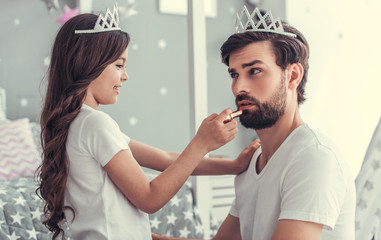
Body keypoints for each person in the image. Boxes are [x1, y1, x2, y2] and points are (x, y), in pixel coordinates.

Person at [36, 4, 260, 240]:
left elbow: (167, 160)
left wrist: (234, 165)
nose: (125, 75)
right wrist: (202, 143)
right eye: (119, 65)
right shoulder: (95, 124)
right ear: (88, 63)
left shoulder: (77, 124)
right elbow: (149, 199)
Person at [154, 6, 356, 240]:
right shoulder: (252, 164)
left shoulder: (314, 158)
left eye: (255, 71)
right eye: (234, 74)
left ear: (293, 76)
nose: (239, 87)